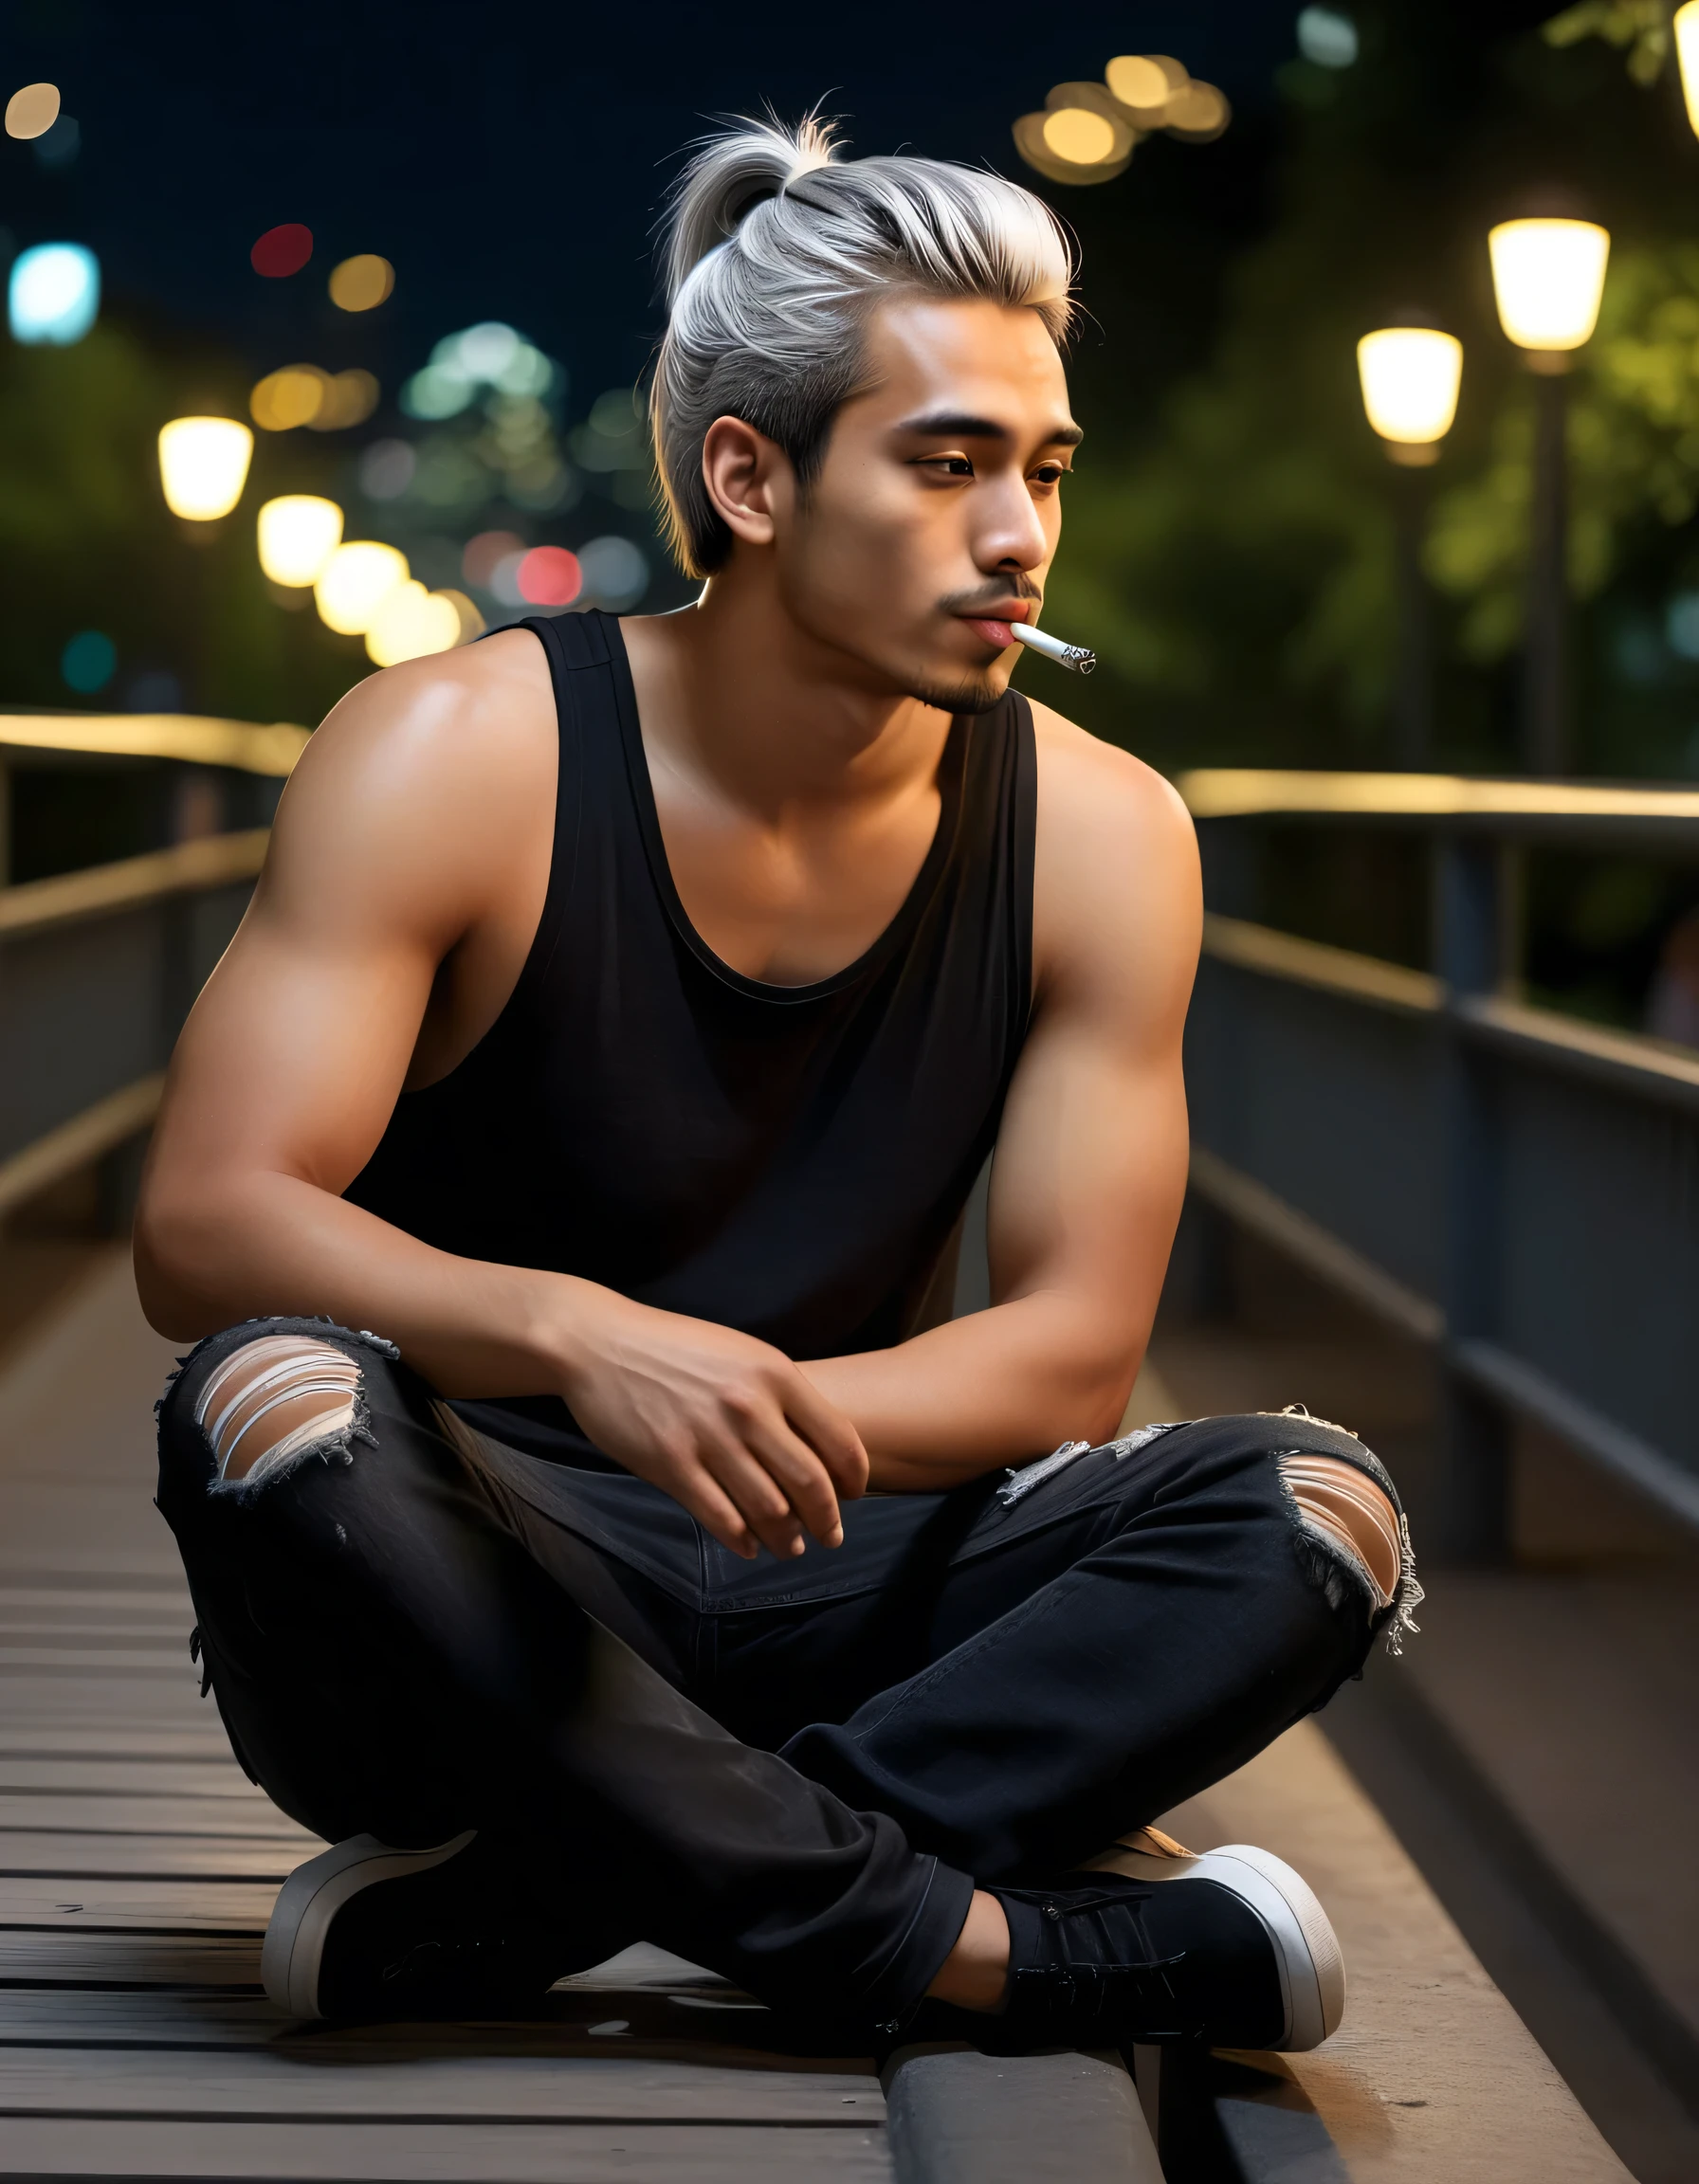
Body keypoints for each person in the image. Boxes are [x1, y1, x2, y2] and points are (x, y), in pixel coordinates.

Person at [137, 114, 1416, 2052]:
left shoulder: (1103, 834)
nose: (1017, 535)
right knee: (273, 1395)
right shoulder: (454, 753)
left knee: (1317, 1510)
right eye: (946, 463)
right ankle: (994, 1949)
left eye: (1044, 469)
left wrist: (754, 1422)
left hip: (854, 1546)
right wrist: (586, 1346)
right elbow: (206, 1221)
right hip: (495, 1582)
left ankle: (528, 1907)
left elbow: (1068, 1354)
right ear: (747, 475)